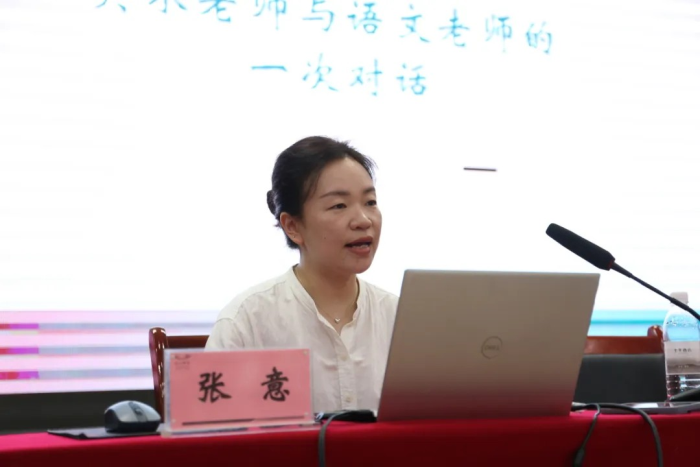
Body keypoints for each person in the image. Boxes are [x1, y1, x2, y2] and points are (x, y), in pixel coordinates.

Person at [206, 136, 398, 413]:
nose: (363, 220)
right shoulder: (246, 321)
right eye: (339, 206)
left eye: (370, 202)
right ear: (293, 226)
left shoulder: (398, 317)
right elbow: (214, 425)